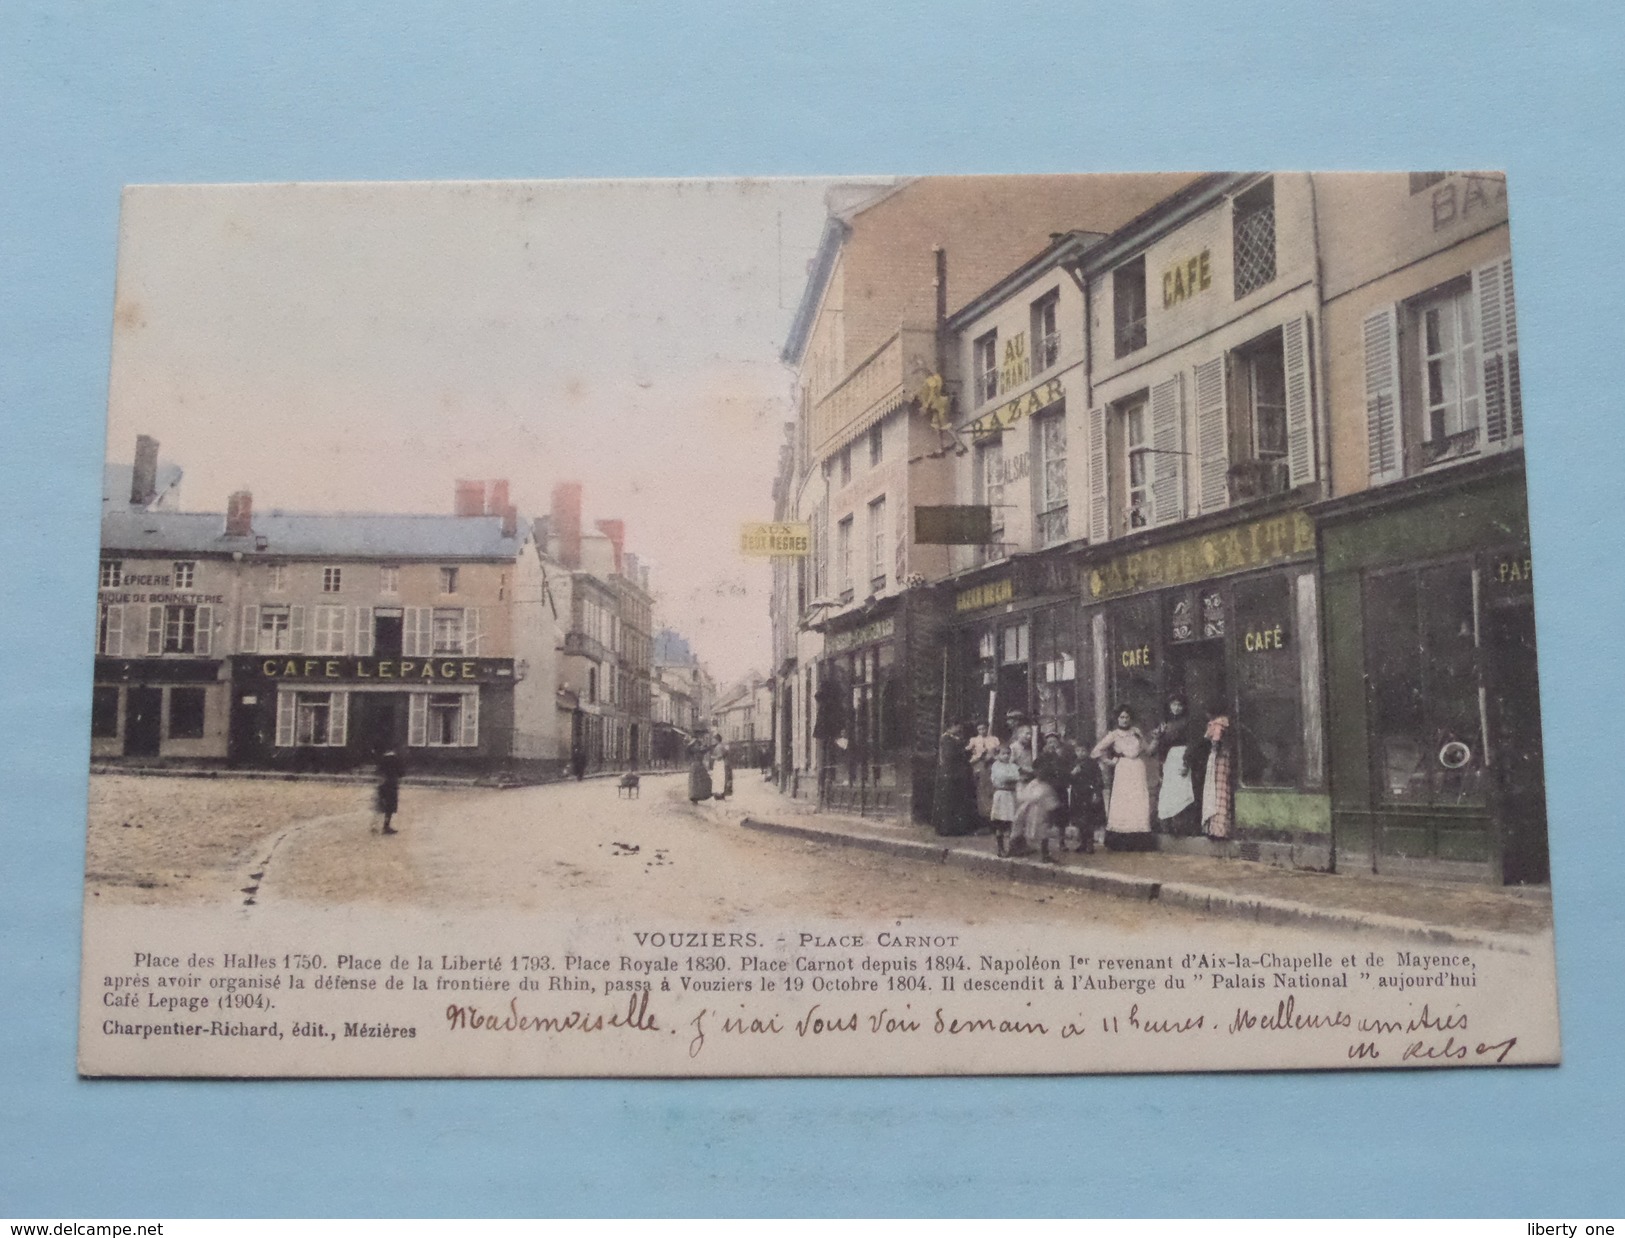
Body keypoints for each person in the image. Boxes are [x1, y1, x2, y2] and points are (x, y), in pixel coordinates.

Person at [1091, 705, 1156, 851]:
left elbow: (1149, 750)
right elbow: (1096, 751)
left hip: (1138, 768)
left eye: (1127, 717)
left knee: (1138, 800)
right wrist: (1110, 761)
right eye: (1121, 717)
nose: (1124, 720)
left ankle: (1139, 841)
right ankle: (1120, 841)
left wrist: (1156, 738)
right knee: (1123, 802)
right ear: (1117, 719)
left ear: (1131, 718)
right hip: (1123, 768)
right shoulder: (1114, 734)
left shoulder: (1137, 732)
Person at [1150, 695, 1200, 837]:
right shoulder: (1165, 723)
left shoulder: (1187, 722)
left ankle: (1184, 827)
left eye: (1179, 705)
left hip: (1182, 756)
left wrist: (1186, 762)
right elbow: (1161, 746)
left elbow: (1191, 743)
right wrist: (1159, 735)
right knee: (1170, 791)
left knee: (1183, 791)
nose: (1176, 708)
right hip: (1170, 759)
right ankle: (1170, 826)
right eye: (1173, 705)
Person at [1195, 709, 1236, 840]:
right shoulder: (1225, 722)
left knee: (1217, 792)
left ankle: (1217, 829)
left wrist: (1214, 746)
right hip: (1224, 758)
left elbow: (1215, 740)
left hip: (1218, 758)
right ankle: (1220, 828)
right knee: (1222, 792)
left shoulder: (1218, 723)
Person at [1010, 765, 1062, 863]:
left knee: (1043, 832)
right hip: (1031, 810)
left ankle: (1044, 854)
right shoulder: (1033, 784)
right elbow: (1024, 797)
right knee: (1021, 827)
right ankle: (1015, 848)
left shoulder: (1046, 787)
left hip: (1041, 811)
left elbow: (1050, 803)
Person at [932, 722, 976, 836]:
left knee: (954, 801)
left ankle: (954, 828)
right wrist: (965, 751)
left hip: (954, 774)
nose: (959, 729)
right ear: (952, 726)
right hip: (950, 774)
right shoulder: (946, 739)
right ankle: (947, 829)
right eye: (958, 727)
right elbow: (949, 755)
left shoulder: (953, 738)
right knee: (949, 801)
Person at [1066, 742, 1105, 854]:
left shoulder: (1092, 764)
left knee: (1089, 820)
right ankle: (1082, 843)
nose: (1080, 753)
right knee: (1079, 820)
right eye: (1078, 751)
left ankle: (1089, 844)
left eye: (1083, 751)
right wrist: (1073, 773)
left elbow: (1098, 779)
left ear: (1088, 752)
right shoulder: (1074, 763)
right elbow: (1068, 780)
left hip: (1088, 793)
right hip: (1077, 794)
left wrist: (1096, 793)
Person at [988, 745, 1021, 855]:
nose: (1006, 756)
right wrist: (1011, 779)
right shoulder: (996, 766)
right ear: (997, 755)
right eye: (1003, 753)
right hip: (1001, 795)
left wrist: (1013, 778)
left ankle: (1012, 847)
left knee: (1012, 822)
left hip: (1011, 796)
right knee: (1000, 822)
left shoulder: (1013, 766)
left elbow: (1017, 776)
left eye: (1008, 753)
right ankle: (1000, 848)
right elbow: (1002, 777)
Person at [966, 722, 1000, 826]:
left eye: (984, 728)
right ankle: (981, 820)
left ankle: (992, 819)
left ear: (987, 728)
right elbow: (968, 752)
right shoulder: (974, 740)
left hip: (991, 766)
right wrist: (977, 757)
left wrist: (992, 757)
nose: (982, 731)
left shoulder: (994, 739)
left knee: (990, 791)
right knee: (980, 791)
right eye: (980, 729)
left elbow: (998, 752)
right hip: (978, 766)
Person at [375, 748, 403, 836]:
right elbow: (401, 773)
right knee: (390, 807)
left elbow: (378, 771)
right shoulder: (395, 759)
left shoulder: (382, 759)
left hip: (383, 784)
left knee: (381, 805)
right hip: (391, 784)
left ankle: (375, 826)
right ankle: (386, 826)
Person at [686, 735, 713, 803]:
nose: (698, 745)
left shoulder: (700, 750)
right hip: (695, 766)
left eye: (698, 744)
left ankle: (699, 796)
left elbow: (706, 749)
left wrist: (708, 746)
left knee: (703, 781)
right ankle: (694, 797)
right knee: (695, 782)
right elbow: (688, 748)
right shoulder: (693, 750)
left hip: (699, 766)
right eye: (696, 744)